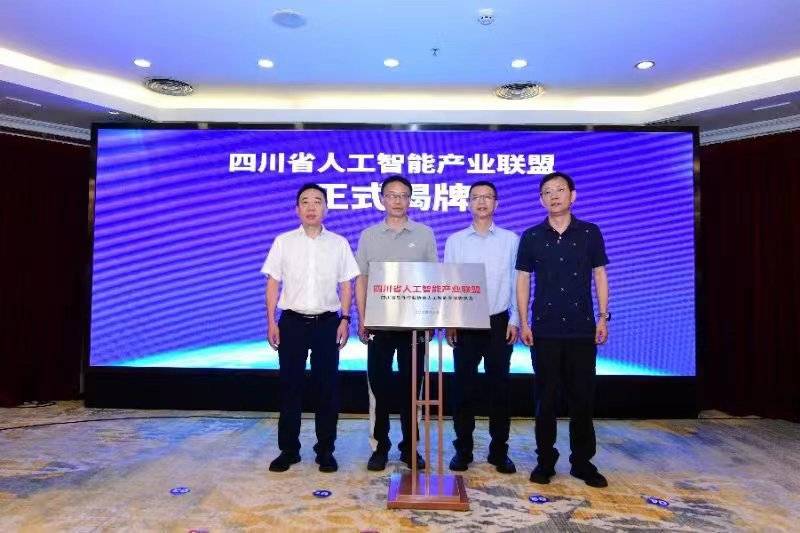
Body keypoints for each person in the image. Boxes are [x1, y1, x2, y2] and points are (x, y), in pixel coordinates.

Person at [516, 171, 610, 488]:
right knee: (545, 400)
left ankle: (582, 463)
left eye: (559, 190)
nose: (554, 196)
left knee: (582, 399)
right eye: (547, 192)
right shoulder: (531, 236)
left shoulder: (590, 232)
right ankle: (545, 461)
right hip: (544, 329)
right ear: (541, 199)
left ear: (573, 195)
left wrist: (603, 316)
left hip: (582, 329)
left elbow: (600, 274)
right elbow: (523, 279)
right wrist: (524, 321)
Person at [261, 183, 360, 473]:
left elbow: (346, 284)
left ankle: (325, 451)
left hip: (327, 323)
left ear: (326, 208)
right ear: (297, 209)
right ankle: (289, 450)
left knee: (327, 389)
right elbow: (273, 283)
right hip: (291, 322)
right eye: (305, 201)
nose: (311, 207)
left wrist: (345, 319)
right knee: (290, 387)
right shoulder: (283, 242)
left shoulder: (339, 243)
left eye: (317, 201)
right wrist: (271, 321)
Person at [355, 175, 438, 471]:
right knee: (378, 389)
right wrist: (362, 317)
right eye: (392, 195)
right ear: (382, 199)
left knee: (412, 389)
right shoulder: (369, 235)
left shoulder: (425, 234)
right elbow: (362, 279)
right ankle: (380, 447)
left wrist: (431, 319)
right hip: (379, 326)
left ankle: (409, 447)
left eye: (403, 195)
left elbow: (432, 280)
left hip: (414, 328)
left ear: (410, 200)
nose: (398, 200)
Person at [444, 180, 519, 474]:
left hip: (499, 321)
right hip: (465, 322)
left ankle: (499, 452)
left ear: (496, 203)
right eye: (476, 197)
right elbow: (450, 281)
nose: (482, 202)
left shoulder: (511, 240)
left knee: (500, 389)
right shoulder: (456, 241)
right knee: (463, 390)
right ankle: (463, 450)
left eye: (488, 197)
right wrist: (450, 321)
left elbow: (517, 282)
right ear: (468, 204)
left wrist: (515, 319)